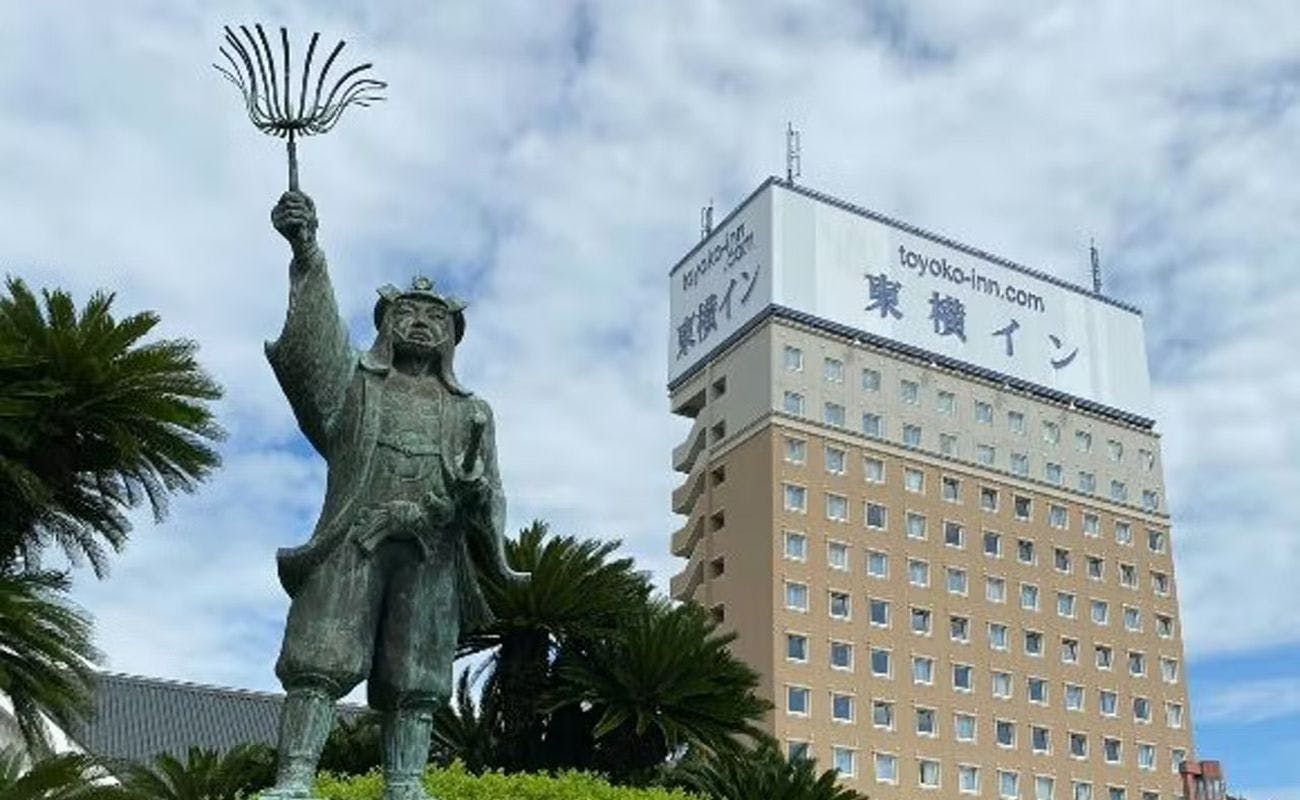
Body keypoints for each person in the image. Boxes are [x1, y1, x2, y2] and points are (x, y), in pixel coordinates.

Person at [260, 190, 524, 800]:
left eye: (436, 318)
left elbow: (491, 492)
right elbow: (318, 348)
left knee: (417, 673)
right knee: (319, 658)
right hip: (354, 534)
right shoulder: (356, 386)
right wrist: (307, 251)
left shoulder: (472, 411)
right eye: (407, 313)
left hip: (431, 547)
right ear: (384, 324)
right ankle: (294, 778)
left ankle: (406, 783)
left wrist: (474, 494)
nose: (421, 322)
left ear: (453, 336)